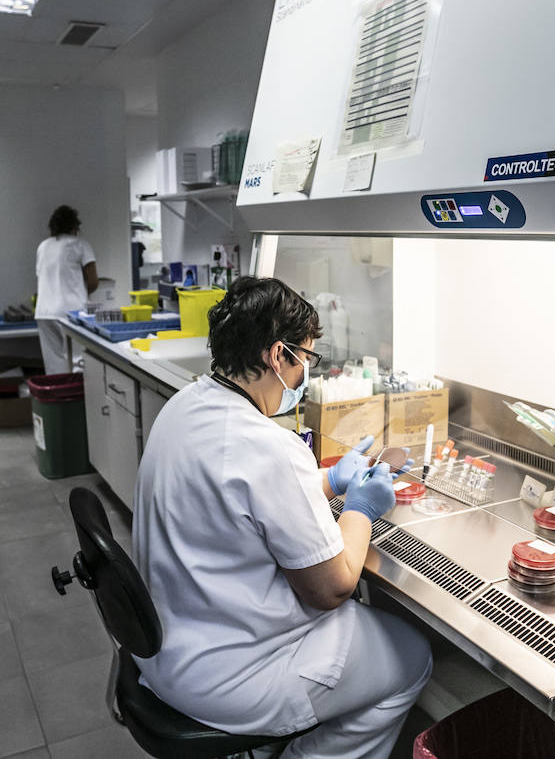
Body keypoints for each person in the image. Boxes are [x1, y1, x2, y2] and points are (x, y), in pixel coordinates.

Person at [132, 276, 432, 759]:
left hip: (169, 649)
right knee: (412, 658)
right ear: (278, 355)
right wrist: (360, 509)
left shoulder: (185, 407)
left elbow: (233, 502)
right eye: (305, 360)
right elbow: (331, 587)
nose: (303, 376)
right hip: (232, 675)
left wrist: (328, 483)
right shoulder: (267, 446)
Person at [35, 204, 98, 375]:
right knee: (77, 361)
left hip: (44, 312)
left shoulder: (43, 246)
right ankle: (77, 399)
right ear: (74, 227)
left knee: (54, 365)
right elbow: (93, 281)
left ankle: (60, 400)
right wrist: (83, 293)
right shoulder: (80, 244)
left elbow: (43, 277)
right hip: (70, 312)